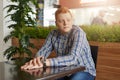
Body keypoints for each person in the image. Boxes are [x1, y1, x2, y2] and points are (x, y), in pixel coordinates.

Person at [21, 7, 96, 80]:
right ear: (56, 23)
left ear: (72, 21)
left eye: (68, 20)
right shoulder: (53, 34)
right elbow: (43, 51)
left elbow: (73, 58)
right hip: (64, 70)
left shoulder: (78, 33)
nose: (65, 23)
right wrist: (36, 61)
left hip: (84, 70)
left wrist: (45, 63)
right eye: (61, 21)